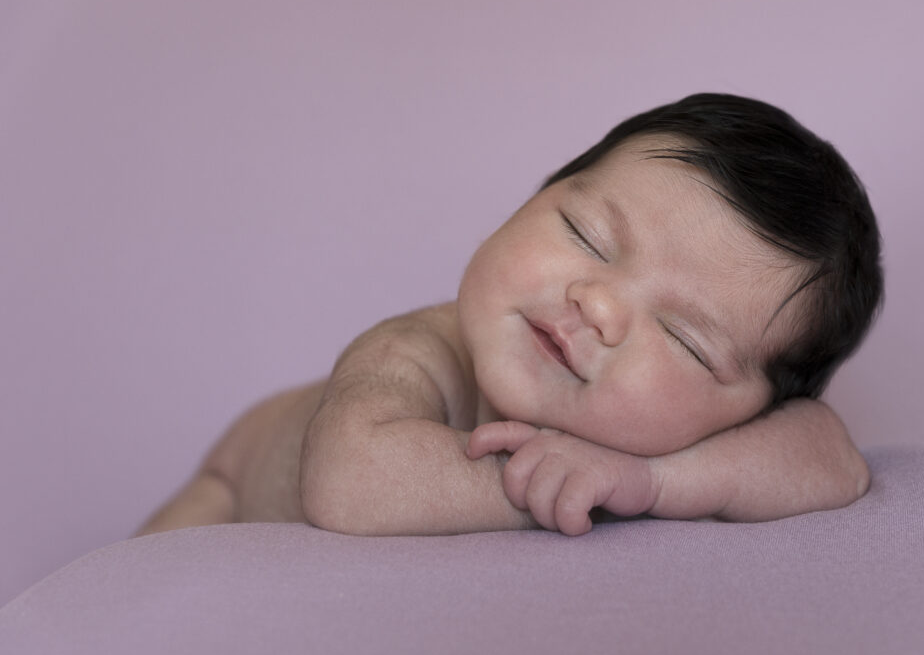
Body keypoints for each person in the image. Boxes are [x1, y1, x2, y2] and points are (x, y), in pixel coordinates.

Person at [137, 93, 883, 538]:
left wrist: (648, 481)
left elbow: (834, 458)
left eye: (685, 339)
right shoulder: (415, 349)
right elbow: (348, 479)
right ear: (531, 197)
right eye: (587, 235)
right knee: (143, 586)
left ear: (748, 411)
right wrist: (561, 485)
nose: (597, 303)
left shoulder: (696, 442)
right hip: (234, 488)